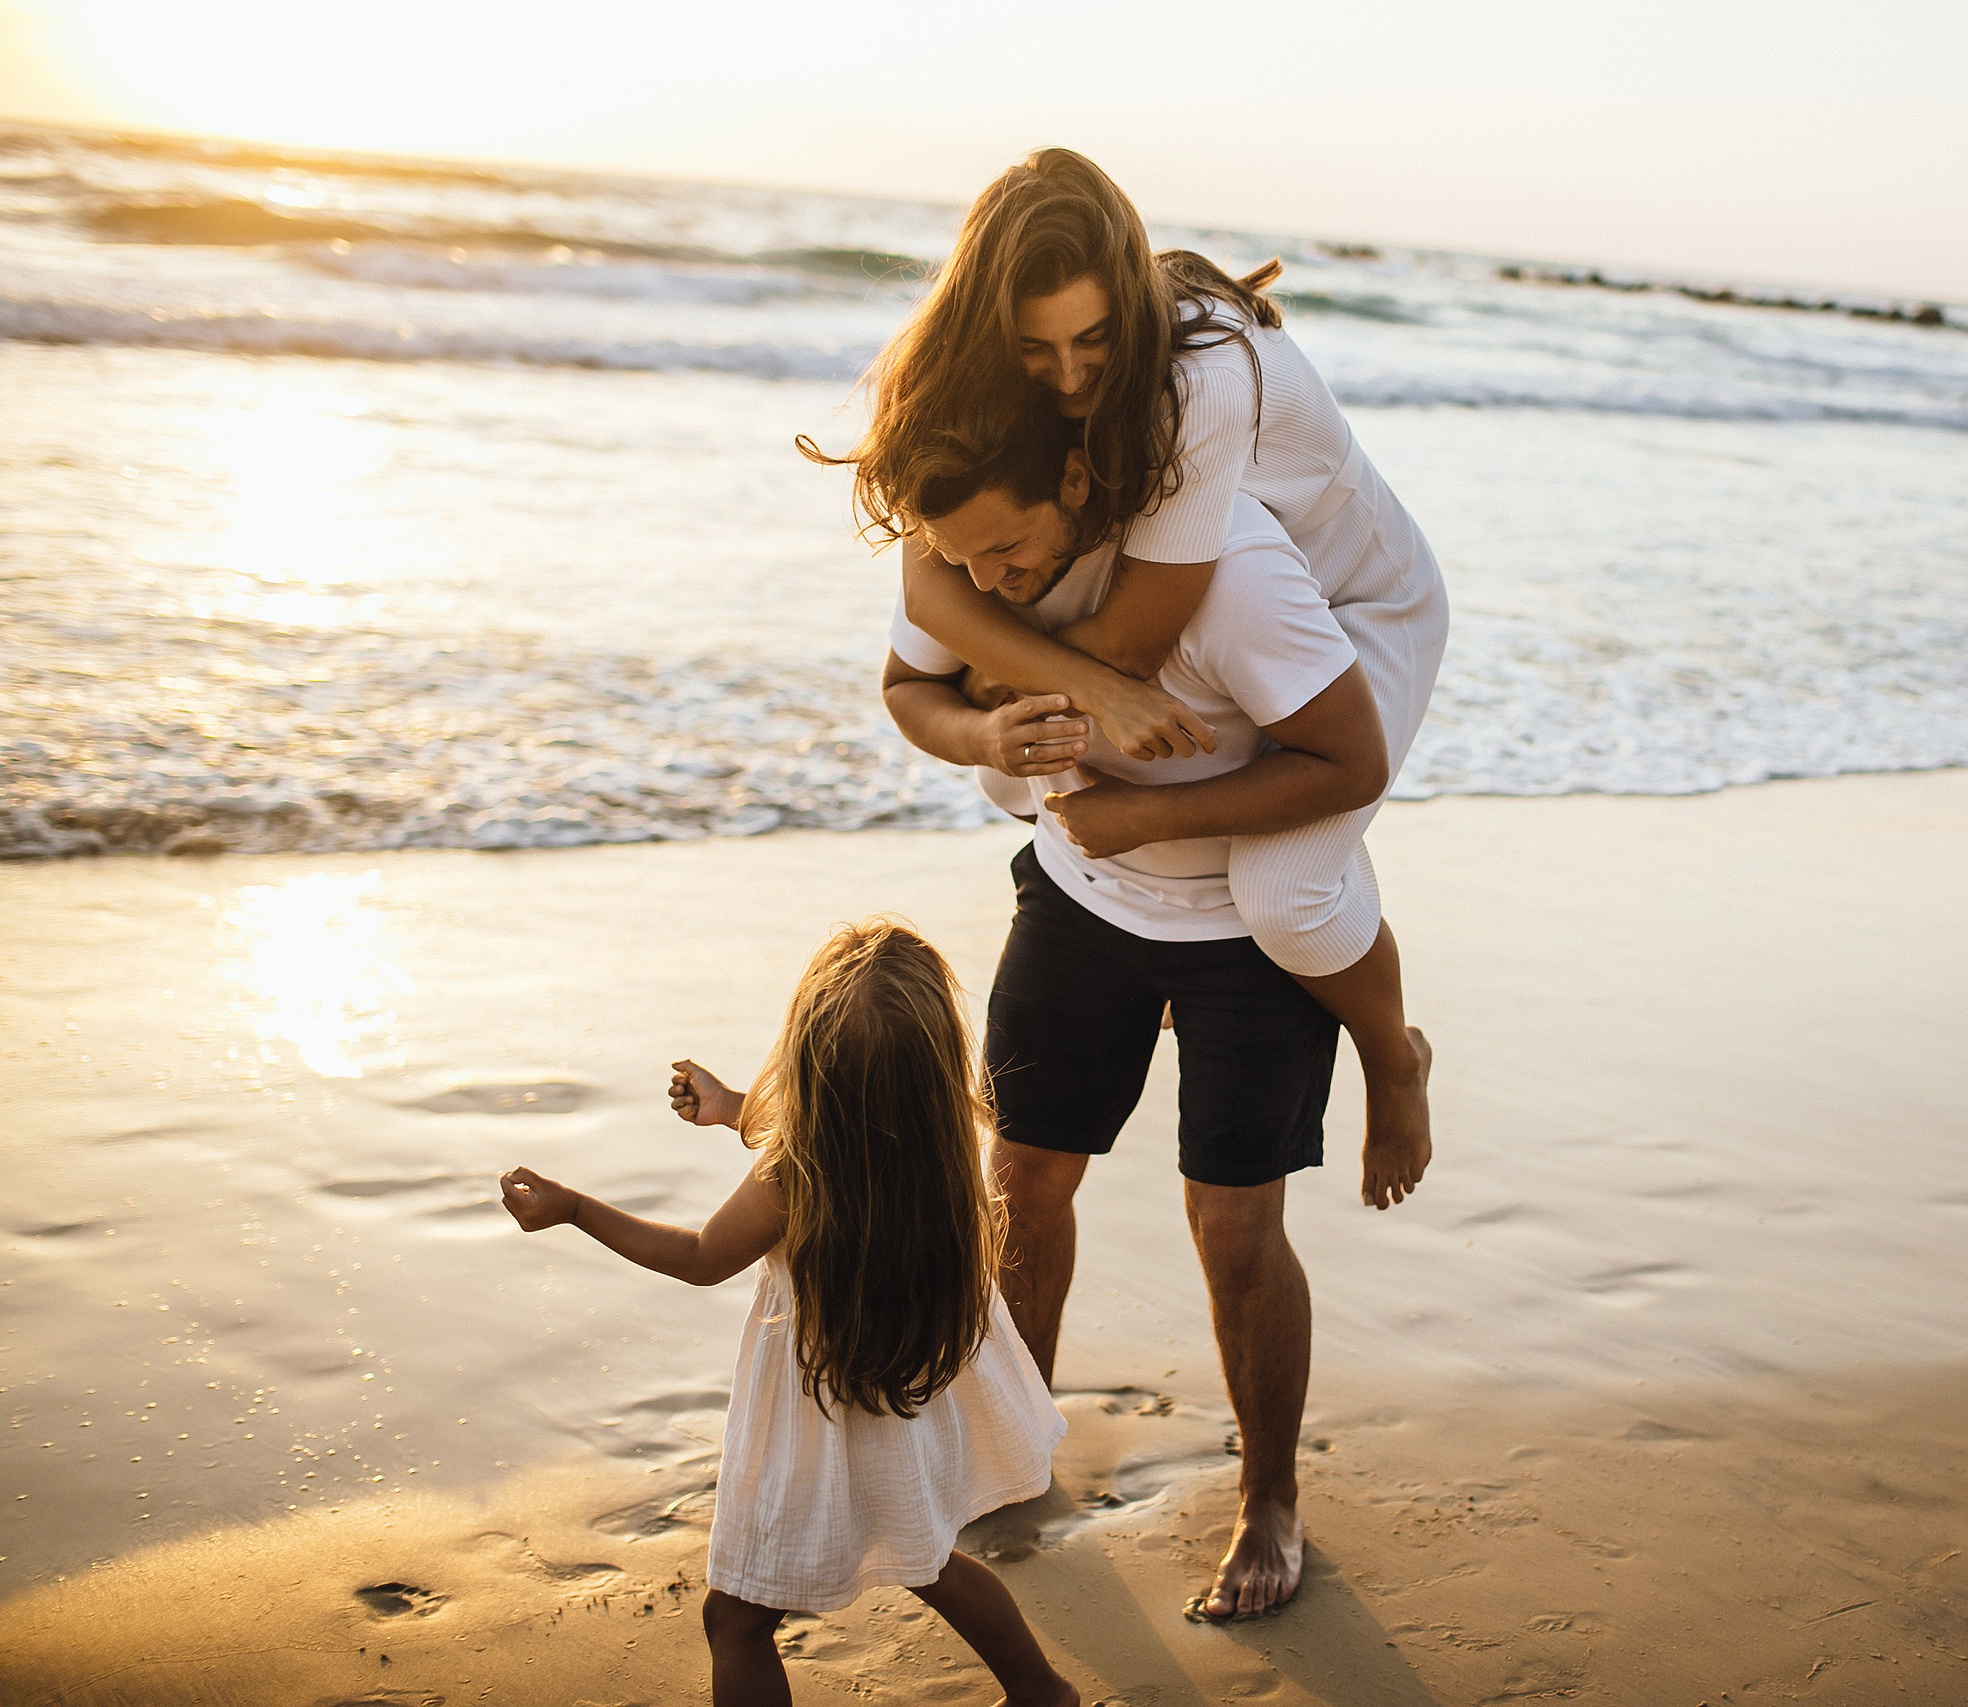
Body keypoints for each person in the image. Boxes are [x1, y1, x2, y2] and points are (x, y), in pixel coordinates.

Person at [822, 146, 1448, 1214]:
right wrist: (991, 723)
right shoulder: (938, 374)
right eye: (1035, 350)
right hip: (1244, 595)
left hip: (1359, 598)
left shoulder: (1194, 379)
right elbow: (932, 595)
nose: (1068, 379)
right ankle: (1153, 950)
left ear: (1130, 302)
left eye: (1093, 340)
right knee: (1012, 777)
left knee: (1283, 893)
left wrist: (1008, 695)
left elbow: (1136, 638)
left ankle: (1391, 1053)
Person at [877, 411, 1401, 1621]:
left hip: (1245, 929)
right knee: (1022, 1177)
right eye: (965, 564)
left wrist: (1151, 816)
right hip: (1079, 899)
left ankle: (1269, 1496)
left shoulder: (1235, 584)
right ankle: (1011, 1446)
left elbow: (1350, 762)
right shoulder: (973, 555)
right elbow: (911, 687)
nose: (990, 586)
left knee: (1231, 1222)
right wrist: (980, 729)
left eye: (1012, 553)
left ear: (1077, 479)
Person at [496, 921, 1075, 1707]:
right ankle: (1042, 1692)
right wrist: (733, 1106)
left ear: (809, 1060)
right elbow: (854, 1128)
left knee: (735, 1617)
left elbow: (702, 1256)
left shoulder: (793, 1173)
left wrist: (575, 1209)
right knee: (931, 1558)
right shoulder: (937, 1156)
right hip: (905, 1397)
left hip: (818, 1415)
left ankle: (1042, 1691)